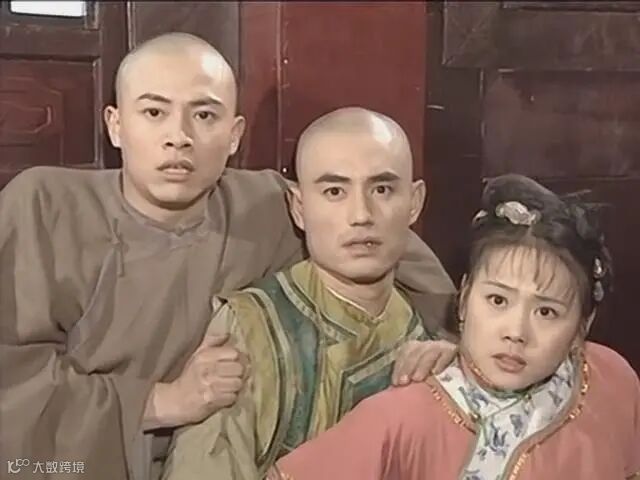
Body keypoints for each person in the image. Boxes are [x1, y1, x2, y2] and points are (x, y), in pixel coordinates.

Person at [0, 33, 456, 480]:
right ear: (116, 125)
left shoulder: (265, 208)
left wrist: (450, 347)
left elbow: (391, 249)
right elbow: (11, 386)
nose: (178, 137)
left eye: (204, 115)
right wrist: (160, 401)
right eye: (154, 112)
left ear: (235, 134)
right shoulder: (44, 206)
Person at [268, 174, 640, 480]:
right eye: (497, 300)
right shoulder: (402, 417)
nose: (516, 332)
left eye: (546, 312)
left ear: (582, 327)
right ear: (463, 300)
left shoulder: (610, 379)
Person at [161, 106, 457, 480]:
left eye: (381, 189)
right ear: (299, 208)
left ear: (414, 202)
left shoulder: (438, 336)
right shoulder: (253, 327)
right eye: (334, 191)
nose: (361, 214)